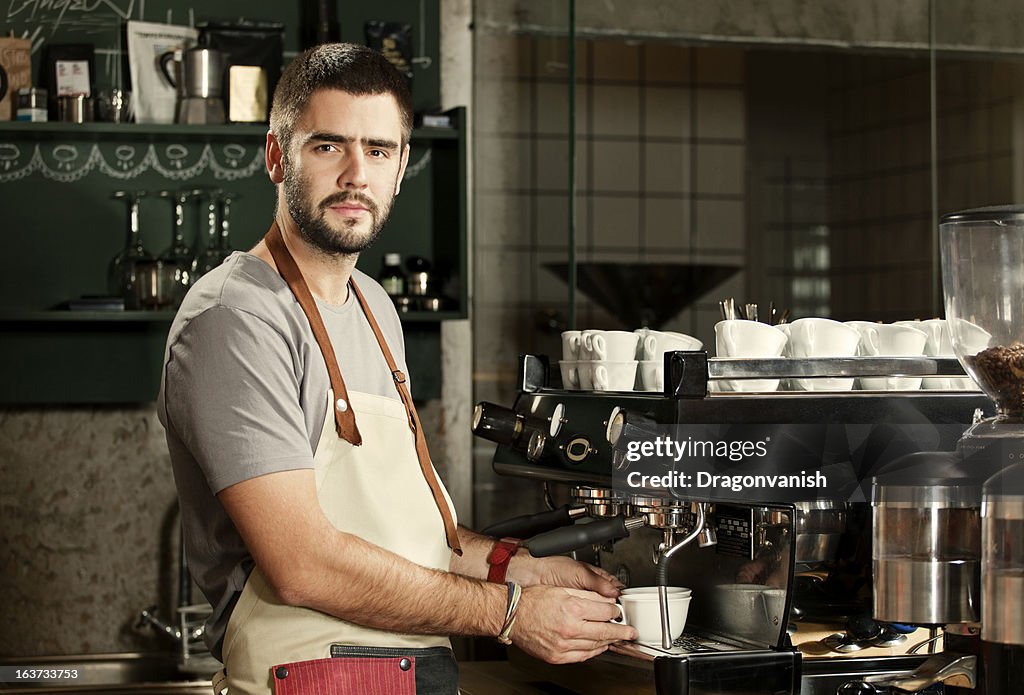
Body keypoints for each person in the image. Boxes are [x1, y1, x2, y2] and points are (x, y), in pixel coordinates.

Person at [158, 42, 636, 695]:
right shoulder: (236, 317)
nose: (357, 173)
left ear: (402, 165)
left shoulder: (375, 308)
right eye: (328, 146)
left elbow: (401, 534)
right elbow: (303, 565)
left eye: (379, 150)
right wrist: (511, 612)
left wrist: (514, 566)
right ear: (276, 156)